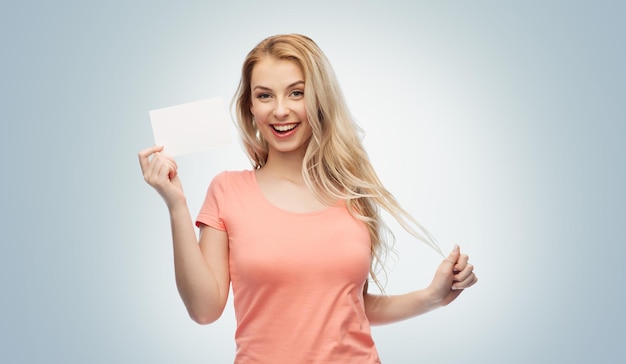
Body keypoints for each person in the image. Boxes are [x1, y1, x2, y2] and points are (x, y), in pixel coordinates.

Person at [138, 33, 477, 363]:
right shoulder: (227, 191)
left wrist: (431, 297)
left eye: (296, 93)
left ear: (318, 98)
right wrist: (176, 205)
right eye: (265, 96)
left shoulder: (351, 193)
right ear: (250, 106)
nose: (281, 110)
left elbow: (348, 306)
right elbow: (204, 309)